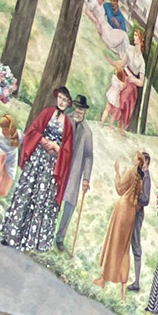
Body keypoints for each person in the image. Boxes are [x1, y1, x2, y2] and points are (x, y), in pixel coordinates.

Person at [0, 86, 74, 251]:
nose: (61, 102)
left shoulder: (68, 125)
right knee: (26, 192)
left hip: (51, 165)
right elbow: (32, 131)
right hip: (37, 159)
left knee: (42, 198)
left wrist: (55, 146)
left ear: (69, 103)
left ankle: (31, 241)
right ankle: (12, 235)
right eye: (60, 98)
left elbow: (68, 151)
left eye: (65, 100)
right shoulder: (47, 113)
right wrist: (42, 140)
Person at [94, 152, 146, 288]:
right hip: (130, 214)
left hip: (122, 210)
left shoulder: (130, 172)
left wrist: (117, 173)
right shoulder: (140, 179)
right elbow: (139, 202)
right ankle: (123, 285)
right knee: (124, 248)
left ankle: (103, 279)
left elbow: (119, 189)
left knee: (113, 243)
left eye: (135, 158)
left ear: (137, 162)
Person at [55, 95, 94, 251]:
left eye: (82, 109)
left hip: (75, 172)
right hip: (60, 166)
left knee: (70, 205)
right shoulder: (65, 120)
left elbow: (89, 156)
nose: (79, 111)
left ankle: (60, 237)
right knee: (53, 197)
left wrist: (86, 179)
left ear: (85, 111)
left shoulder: (87, 132)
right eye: (77, 107)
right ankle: (46, 228)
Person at [127, 149, 152, 293]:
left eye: (142, 160)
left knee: (136, 245)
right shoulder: (139, 174)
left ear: (146, 162)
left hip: (137, 214)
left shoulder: (146, 177)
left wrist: (136, 197)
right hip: (131, 210)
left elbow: (146, 199)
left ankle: (136, 282)